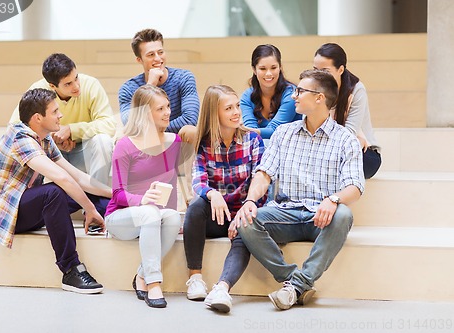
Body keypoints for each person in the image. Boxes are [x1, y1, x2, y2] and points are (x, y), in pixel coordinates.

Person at [235, 69, 365, 311]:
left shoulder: (345, 139)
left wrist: (334, 200)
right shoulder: (284, 133)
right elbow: (264, 174)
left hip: (322, 217)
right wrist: (251, 200)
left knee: (344, 215)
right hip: (285, 213)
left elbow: (355, 187)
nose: (294, 96)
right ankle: (296, 282)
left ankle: (295, 287)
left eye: (300, 91)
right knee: (247, 219)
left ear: (319, 98)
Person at [0, 88, 111, 294]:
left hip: (21, 203)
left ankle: (120, 216)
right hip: (3, 214)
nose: (61, 115)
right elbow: (61, 178)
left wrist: (118, 195)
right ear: (38, 118)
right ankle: (70, 270)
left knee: (86, 191)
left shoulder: (44, 138)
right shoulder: (20, 139)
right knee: (54, 192)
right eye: (54, 111)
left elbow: (77, 177)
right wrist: (89, 209)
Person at [183, 85, 266, 313]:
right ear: (214, 114)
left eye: (237, 106)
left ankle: (222, 289)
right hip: (216, 216)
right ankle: (195, 278)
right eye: (228, 108)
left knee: (247, 227)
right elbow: (198, 182)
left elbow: (260, 184)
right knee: (196, 206)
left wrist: (245, 210)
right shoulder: (204, 144)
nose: (236, 112)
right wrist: (213, 193)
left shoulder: (253, 140)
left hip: (242, 214)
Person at [105, 85, 182, 308]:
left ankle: (142, 275)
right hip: (120, 219)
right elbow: (117, 194)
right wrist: (142, 200)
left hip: (153, 216)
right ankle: (154, 282)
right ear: (146, 114)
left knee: (173, 218)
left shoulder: (174, 141)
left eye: (168, 106)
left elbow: (173, 183)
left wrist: (172, 211)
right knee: (150, 213)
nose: (168, 112)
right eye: (160, 109)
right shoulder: (124, 145)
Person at [119, 28, 200, 207]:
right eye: (151, 55)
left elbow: (189, 119)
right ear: (139, 60)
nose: (158, 59)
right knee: (122, 138)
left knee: (191, 131)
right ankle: (131, 201)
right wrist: (150, 86)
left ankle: (191, 201)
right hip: (145, 149)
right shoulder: (128, 89)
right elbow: (131, 125)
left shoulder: (184, 78)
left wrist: (160, 131)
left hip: (176, 146)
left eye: (161, 52)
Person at [10, 53, 116, 186]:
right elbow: (15, 127)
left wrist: (71, 130)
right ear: (52, 86)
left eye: (76, 78)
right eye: (68, 84)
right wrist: (53, 138)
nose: (76, 86)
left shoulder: (91, 84)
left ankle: (98, 200)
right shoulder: (38, 91)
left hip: (83, 152)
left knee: (104, 141)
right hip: (51, 156)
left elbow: (109, 124)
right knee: (28, 147)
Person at [313, 43, 381, 179]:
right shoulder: (312, 88)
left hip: (363, 154)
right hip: (324, 150)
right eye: (315, 70)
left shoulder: (356, 90)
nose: (319, 76)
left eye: (325, 71)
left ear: (341, 70)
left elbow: (349, 133)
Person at [241, 44, 301, 141]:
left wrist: (249, 131)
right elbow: (250, 133)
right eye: (263, 69)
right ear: (254, 70)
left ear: (280, 67)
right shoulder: (246, 97)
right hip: (259, 150)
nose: (268, 73)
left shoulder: (292, 94)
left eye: (273, 68)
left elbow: (276, 130)